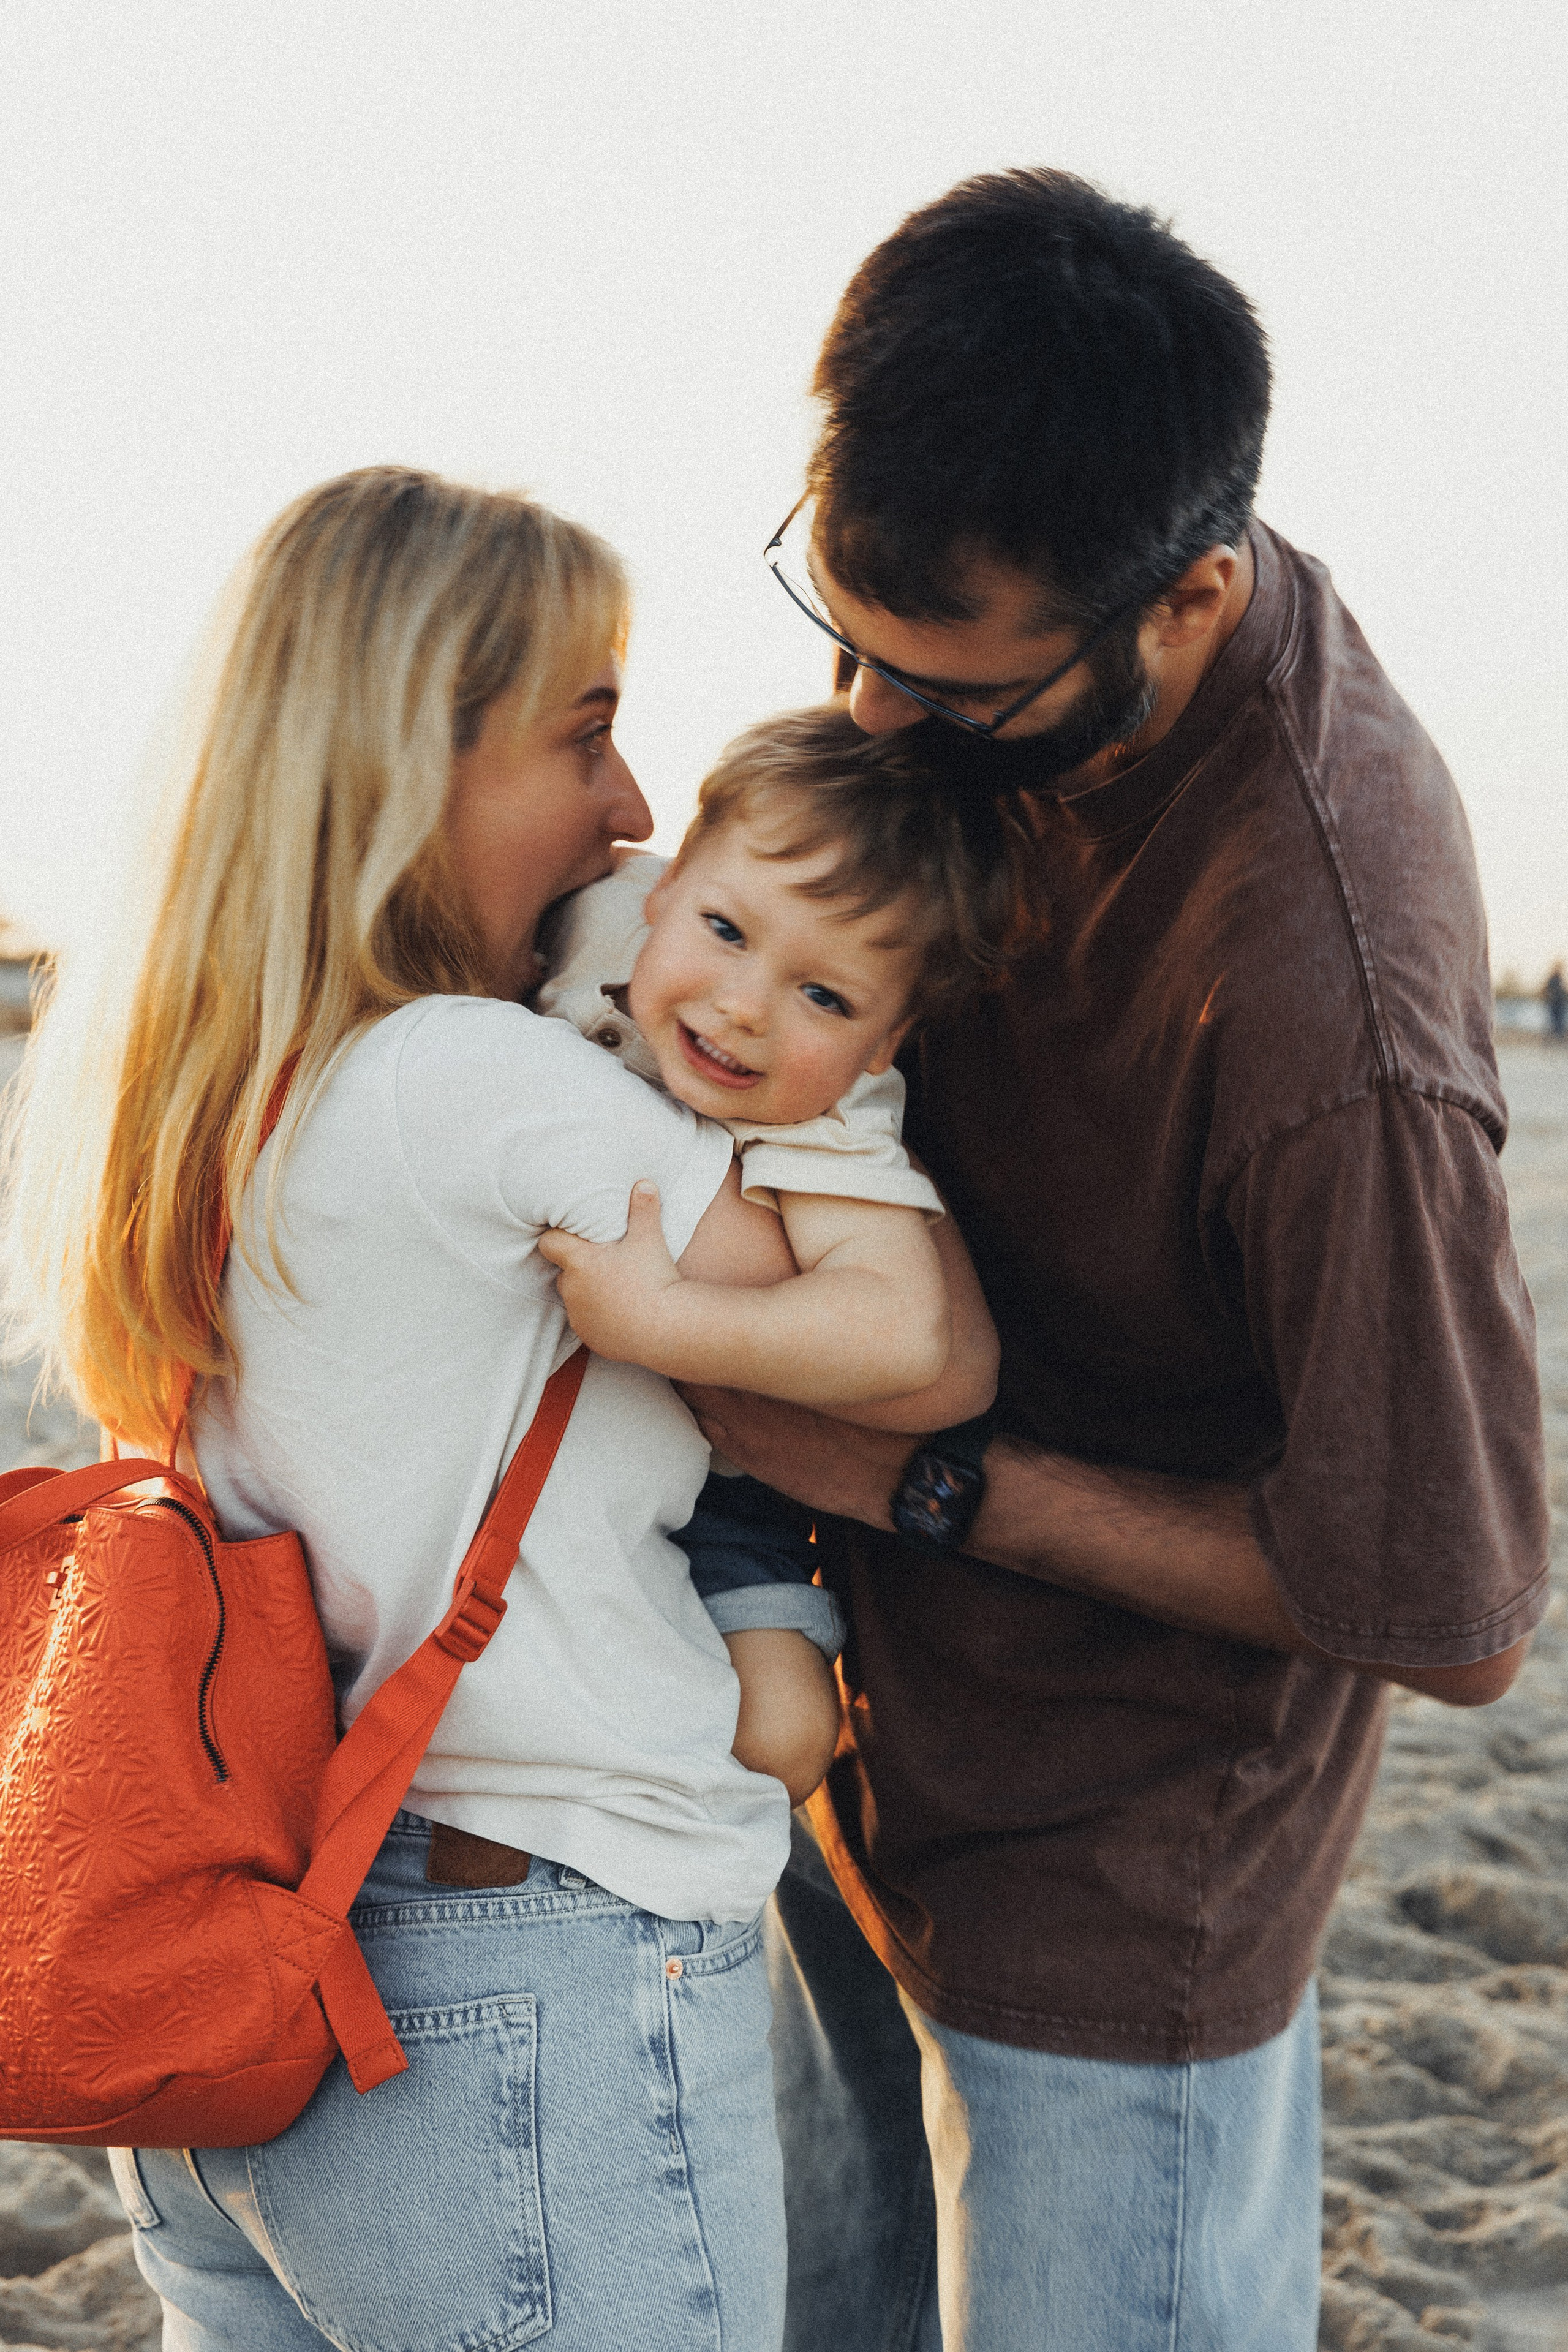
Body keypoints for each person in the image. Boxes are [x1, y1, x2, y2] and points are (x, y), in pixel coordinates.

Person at [686, 170, 1550, 2350]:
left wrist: (917, 1478)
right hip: (841, 1768)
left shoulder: (1325, 1002)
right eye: (840, 631)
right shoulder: (994, 635)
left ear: (1184, 597)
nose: (873, 723)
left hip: (1113, 1888)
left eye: (954, 694)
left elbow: (1441, 1606)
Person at [2, 466, 994, 2352]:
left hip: (248, 1956)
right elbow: (922, 1340)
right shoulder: (476, 1083)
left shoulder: (197, 1086)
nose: (632, 808)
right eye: (587, 735)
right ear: (408, 761)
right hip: (520, 1951)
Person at [536, 702, 1026, 1790]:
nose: (745, 1006)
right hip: (525, 1441)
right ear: (665, 885)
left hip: (722, 1481)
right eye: (724, 929)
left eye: (824, 995)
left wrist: (664, 1320)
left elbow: (901, 1329)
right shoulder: (584, 919)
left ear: (884, 1040)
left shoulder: (835, 1112)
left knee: (786, 1735)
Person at [1543, 962, 1566, 1039]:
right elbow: (1548, 990)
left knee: (1559, 1021)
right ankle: (1557, 1036)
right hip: (1555, 1003)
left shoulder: (1560, 979)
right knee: (1556, 1020)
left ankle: (1558, 1035)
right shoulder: (1553, 979)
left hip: (1559, 1003)